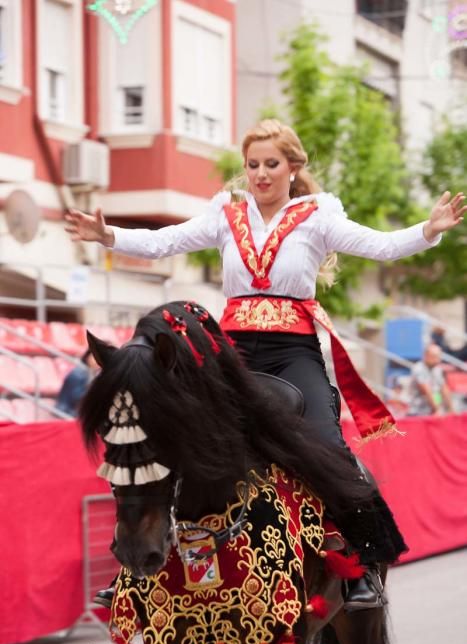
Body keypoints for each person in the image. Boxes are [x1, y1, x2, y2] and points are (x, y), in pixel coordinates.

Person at [65, 119, 466, 611]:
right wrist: (108, 236)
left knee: (328, 445)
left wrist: (428, 231)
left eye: (271, 164)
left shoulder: (318, 216)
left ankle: (360, 567)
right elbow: (164, 242)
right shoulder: (225, 214)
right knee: (171, 436)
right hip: (230, 352)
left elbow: (380, 246)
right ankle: (136, 576)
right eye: (252, 164)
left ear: (293, 168)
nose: (259, 173)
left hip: (292, 349)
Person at [408, 343, 453, 416]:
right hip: (418, 413)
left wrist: (451, 410)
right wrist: (437, 410)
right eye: (434, 357)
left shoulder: (437, 369)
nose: (437, 360)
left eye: (438, 357)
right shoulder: (418, 368)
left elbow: (444, 389)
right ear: (426, 356)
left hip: (432, 412)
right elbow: (427, 391)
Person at [55, 349, 99, 417]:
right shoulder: (79, 373)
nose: (97, 361)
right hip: (67, 410)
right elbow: (76, 397)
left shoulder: (91, 373)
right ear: (88, 356)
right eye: (94, 357)